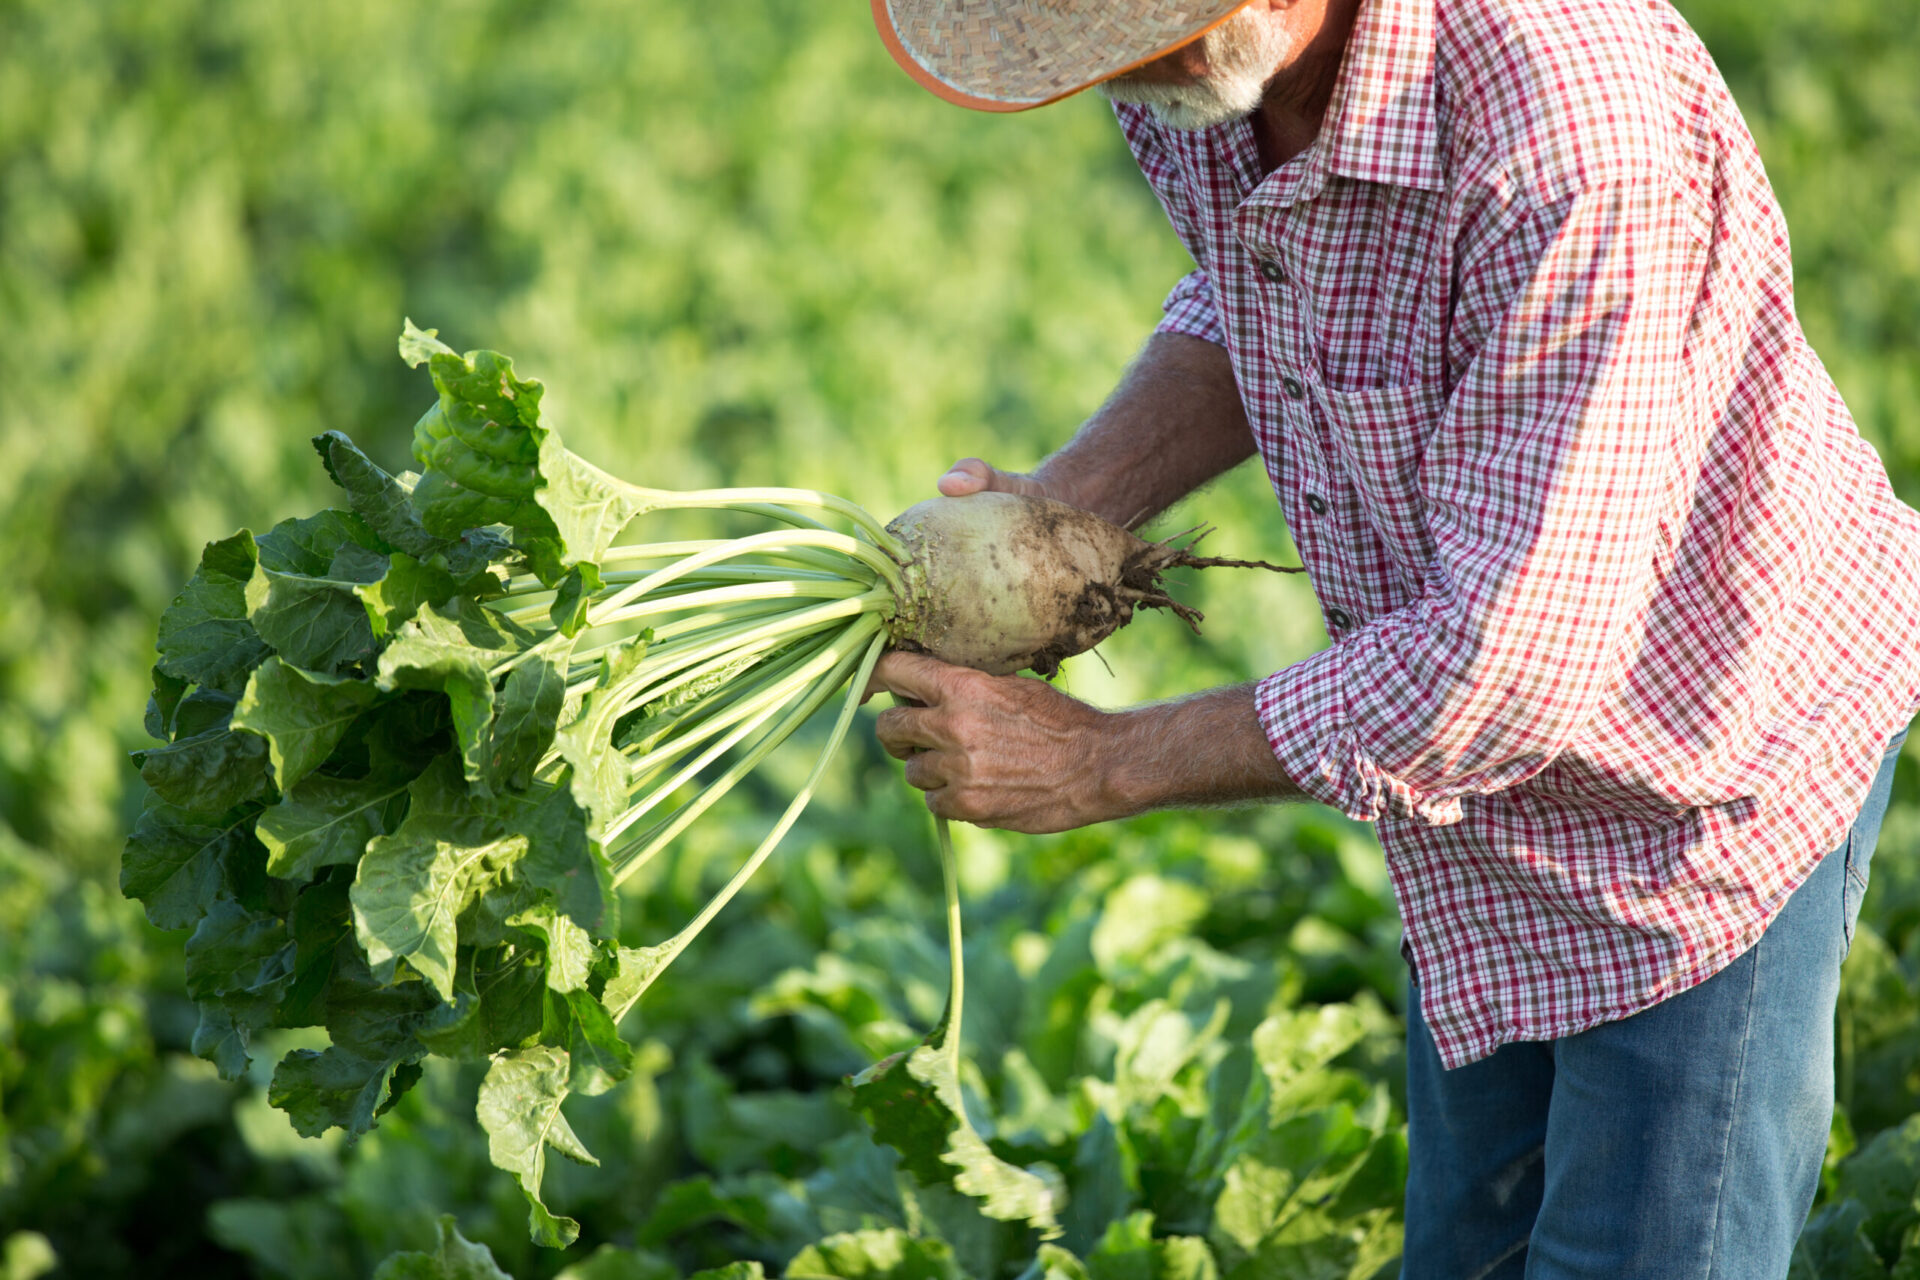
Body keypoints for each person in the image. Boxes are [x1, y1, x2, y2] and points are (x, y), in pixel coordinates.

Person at [863, 0, 1920, 1275]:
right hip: (1466, 800)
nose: (1119, 73)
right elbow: (1260, 292)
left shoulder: (1570, 128)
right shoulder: (1203, 85)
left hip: (1700, 775)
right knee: (1467, 1251)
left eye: (1140, 32)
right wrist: (1055, 517)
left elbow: (1502, 662)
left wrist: (1096, 763)